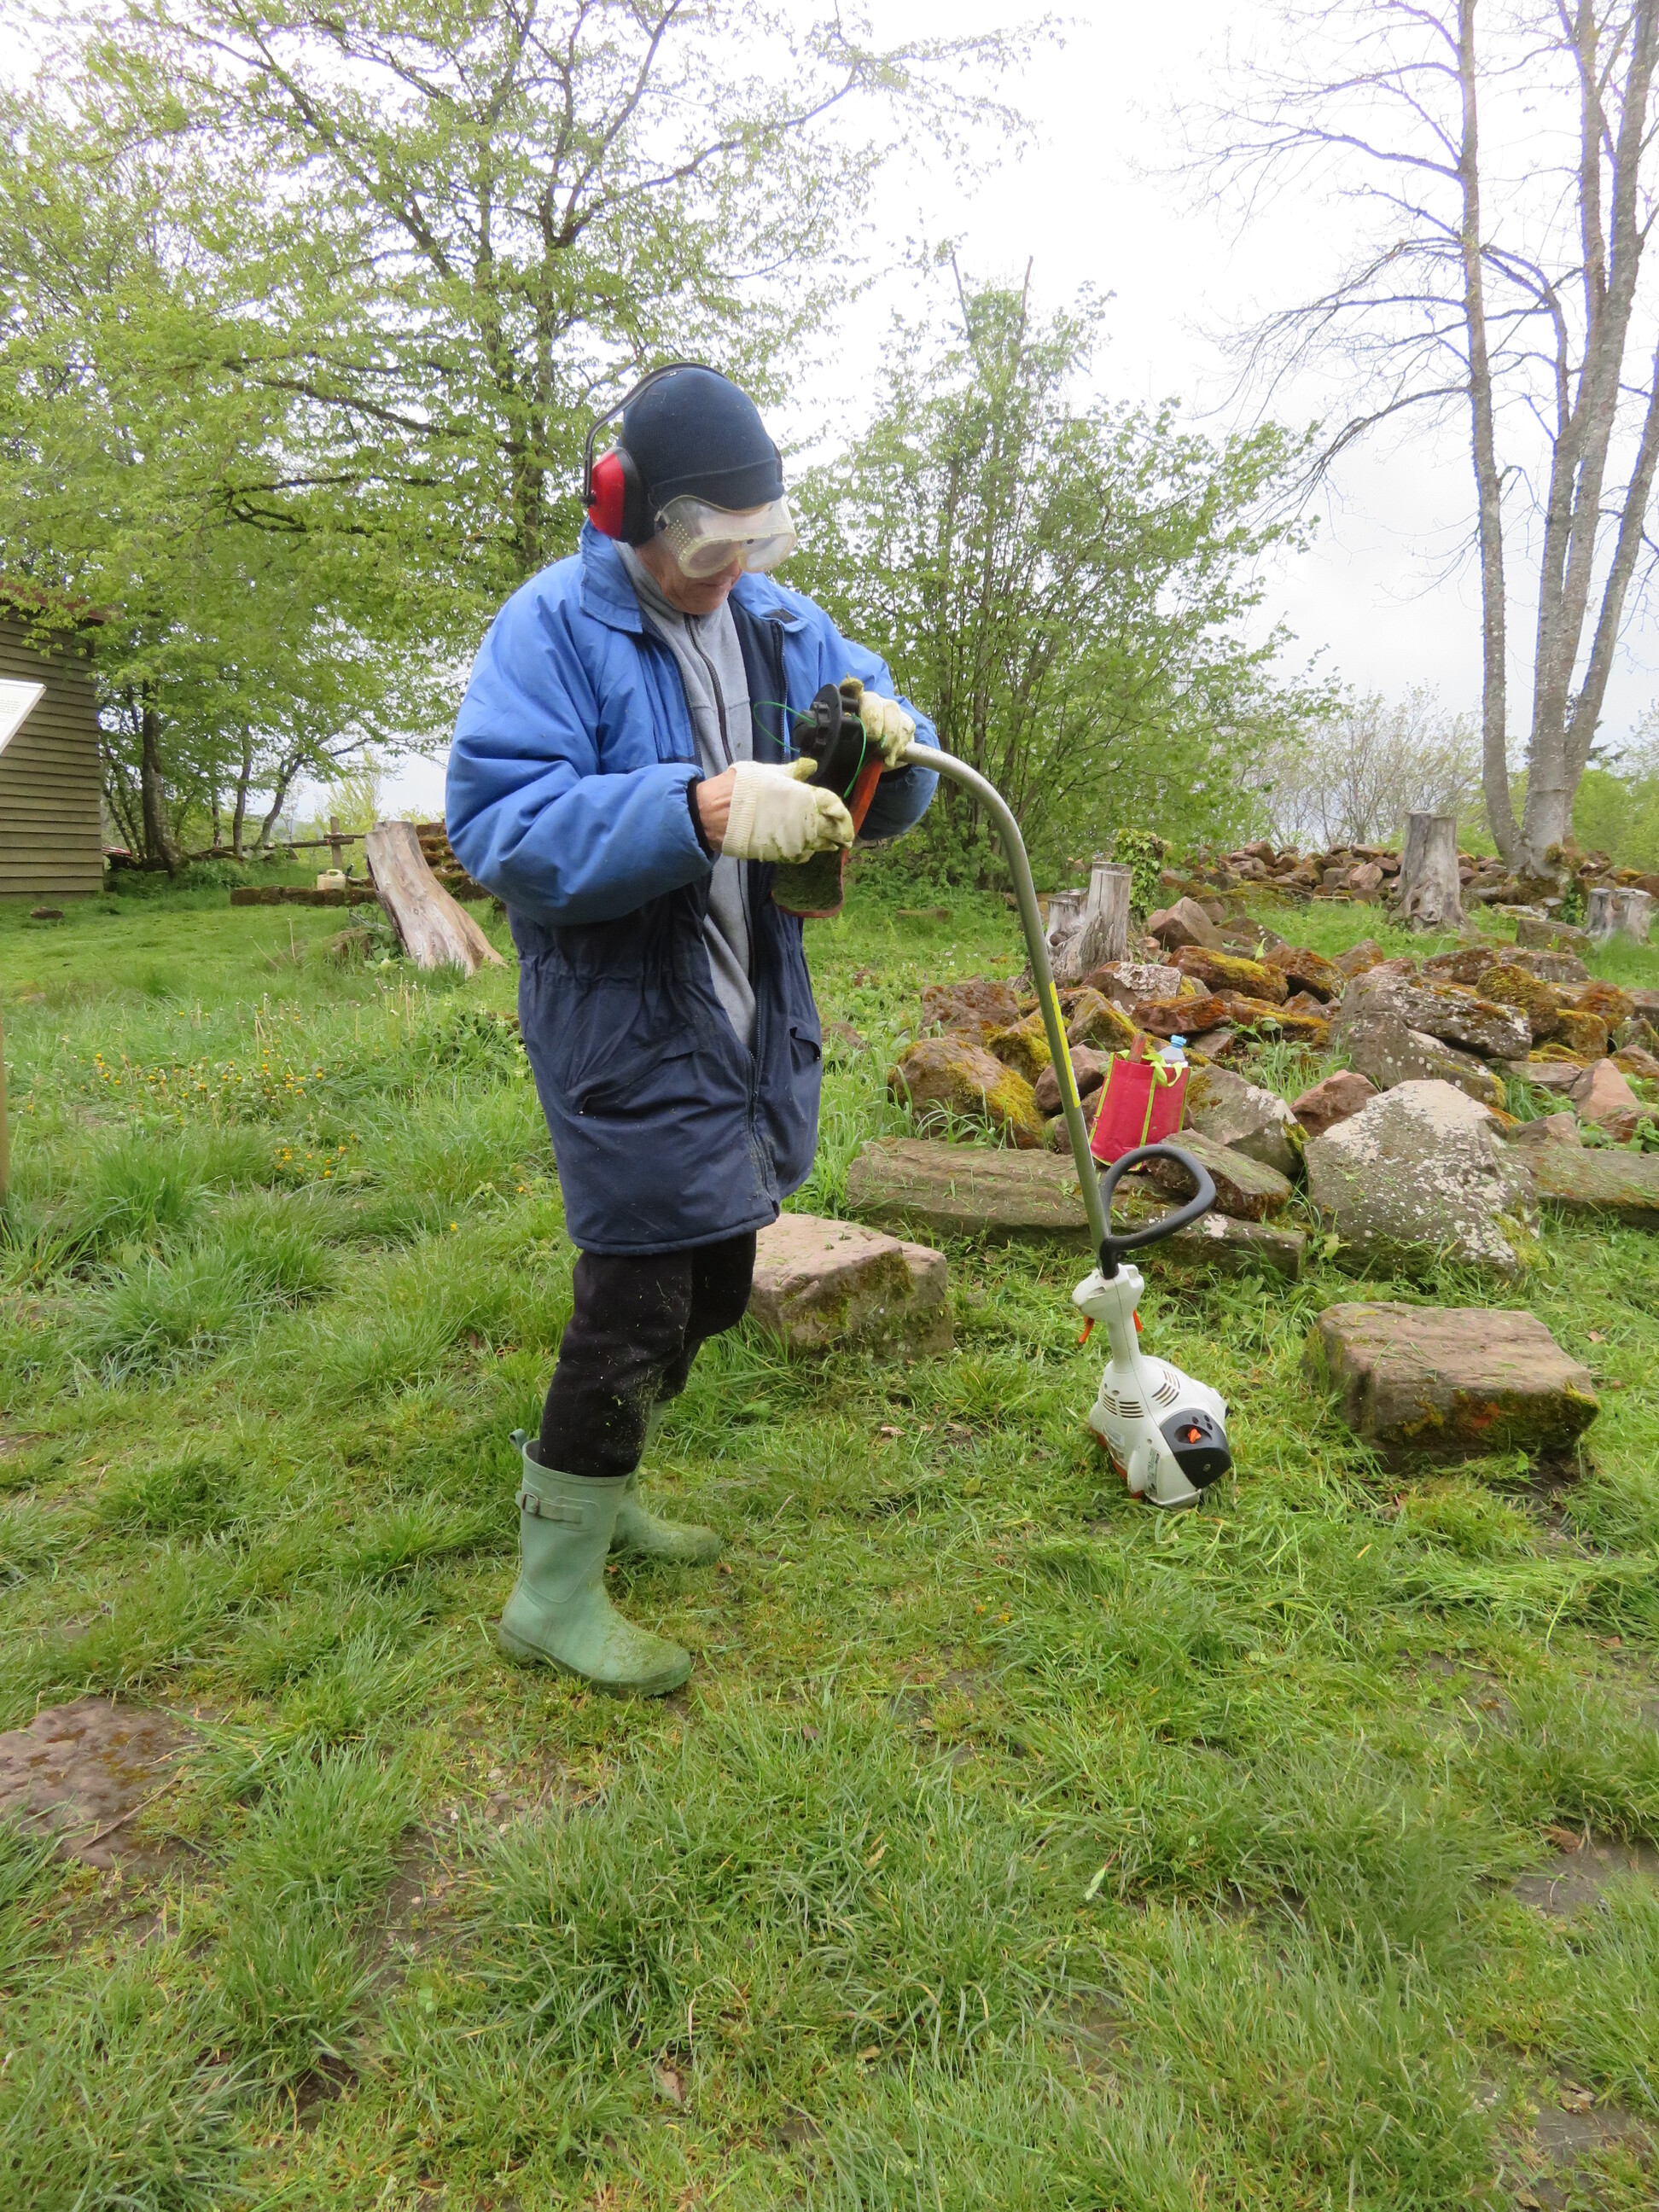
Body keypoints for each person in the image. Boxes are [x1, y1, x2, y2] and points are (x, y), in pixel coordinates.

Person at [445, 364, 938, 1697]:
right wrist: (693, 811)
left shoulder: (778, 622)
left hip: (748, 1012)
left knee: (716, 1283)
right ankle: (551, 1591)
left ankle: (604, 1492)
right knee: (635, 1301)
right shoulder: (550, 630)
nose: (729, 574)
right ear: (626, 510)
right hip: (624, 1019)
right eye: (706, 546)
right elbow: (500, 829)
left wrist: (889, 755)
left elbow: (897, 761)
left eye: (752, 545)